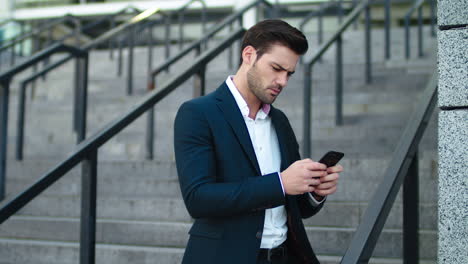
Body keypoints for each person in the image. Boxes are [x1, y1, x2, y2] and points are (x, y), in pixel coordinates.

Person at [174, 19, 343, 264]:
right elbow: (199, 199)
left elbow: (295, 208)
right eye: (276, 68)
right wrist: (281, 183)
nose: (283, 81)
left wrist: (314, 192)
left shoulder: (280, 121)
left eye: (289, 74)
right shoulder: (198, 113)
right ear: (249, 55)